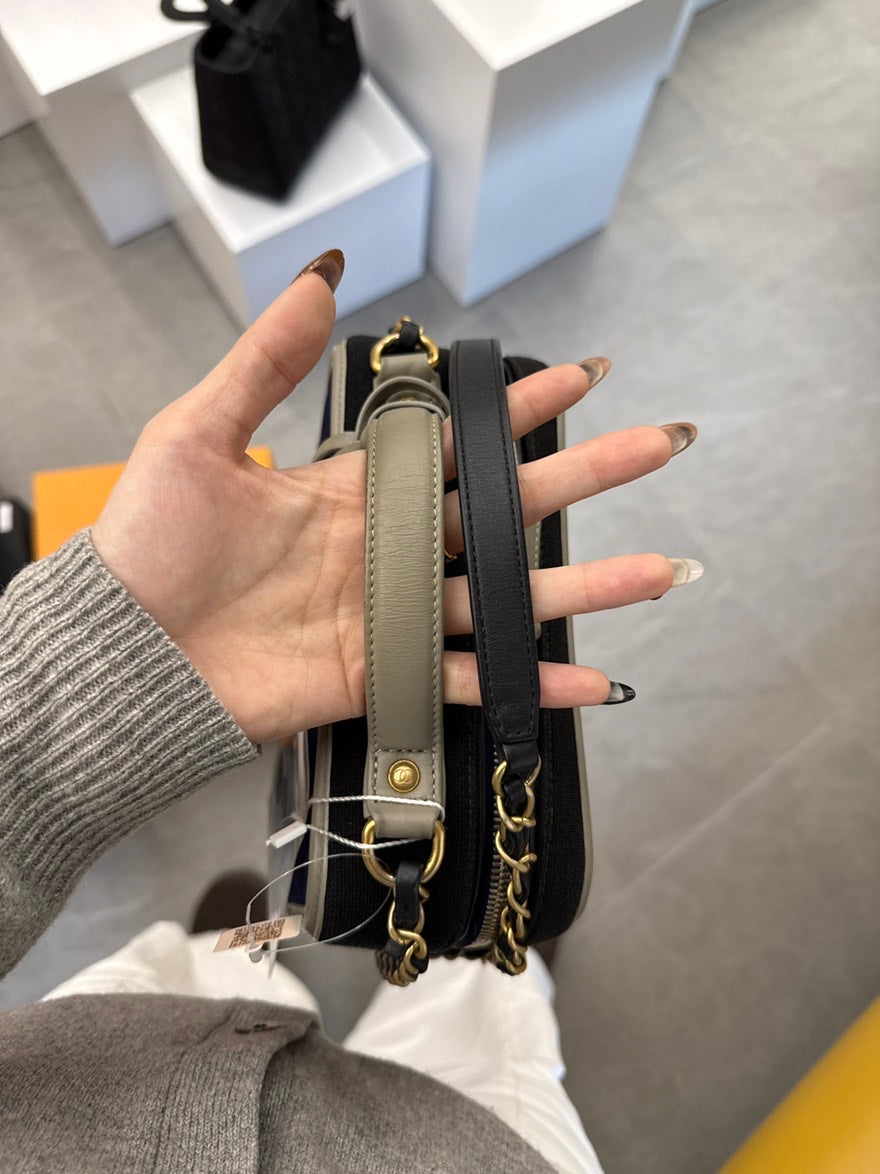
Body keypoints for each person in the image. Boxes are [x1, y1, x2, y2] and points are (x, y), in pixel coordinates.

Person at [0, 249, 701, 1173]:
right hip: (452, 1152)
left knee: (177, 969)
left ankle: (228, 949)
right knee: (487, 1024)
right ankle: (490, 969)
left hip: (90, 1059)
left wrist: (46, 727)